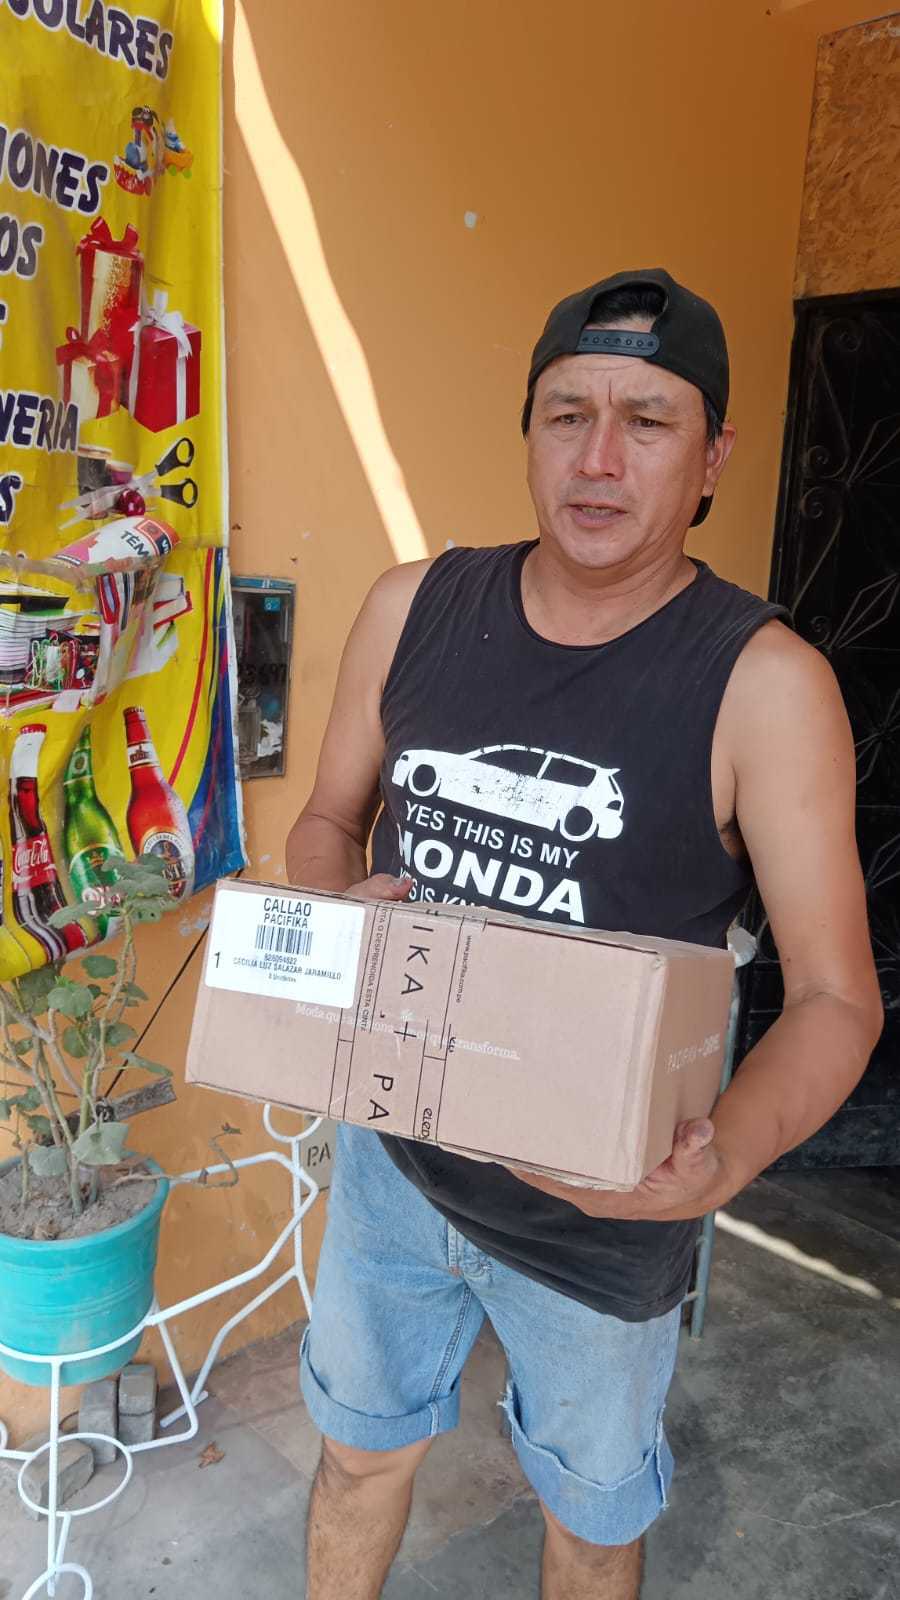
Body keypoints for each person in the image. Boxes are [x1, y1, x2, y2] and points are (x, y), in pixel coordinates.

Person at [285, 268, 882, 1600]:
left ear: (713, 457)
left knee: (593, 1525)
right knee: (357, 1459)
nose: (599, 458)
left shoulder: (764, 684)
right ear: (531, 432)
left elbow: (839, 999)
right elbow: (326, 821)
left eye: (648, 421)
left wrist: (716, 1165)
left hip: (604, 1218)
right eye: (568, 414)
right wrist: (329, 913)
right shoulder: (413, 608)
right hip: (395, 1160)